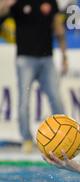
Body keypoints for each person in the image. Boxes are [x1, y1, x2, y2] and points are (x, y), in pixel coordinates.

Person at [0, 0, 67, 153]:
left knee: (56, 99)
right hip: (25, 60)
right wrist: (5, 4)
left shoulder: (51, 1)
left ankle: (63, 138)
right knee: (24, 101)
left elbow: (58, 28)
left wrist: (64, 55)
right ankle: (26, 139)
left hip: (47, 59)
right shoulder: (17, 2)